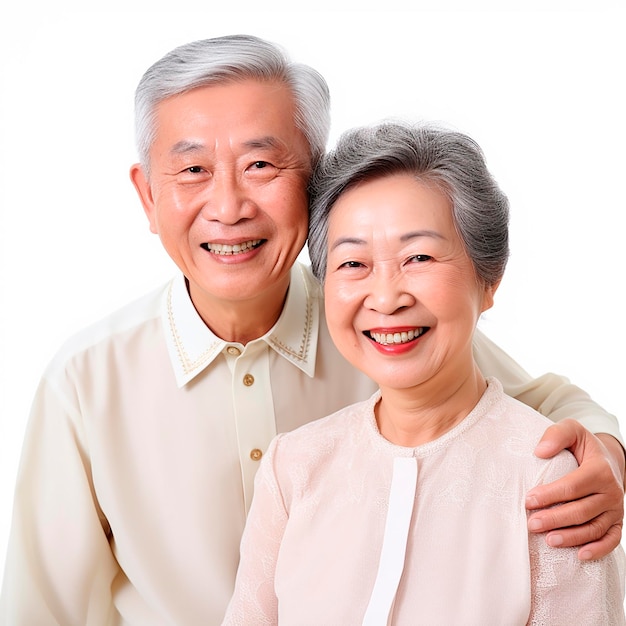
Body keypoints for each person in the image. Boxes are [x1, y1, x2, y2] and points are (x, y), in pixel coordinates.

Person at [0, 35, 623, 625]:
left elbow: (539, 410)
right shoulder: (85, 380)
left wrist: (606, 458)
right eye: (192, 170)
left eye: (262, 163)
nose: (229, 205)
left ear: (316, 182)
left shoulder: (381, 324)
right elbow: (42, 609)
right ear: (147, 196)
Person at [223, 121, 626, 624]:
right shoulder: (293, 467)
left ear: (489, 280)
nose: (387, 297)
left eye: (419, 256)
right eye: (353, 263)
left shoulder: (553, 480)